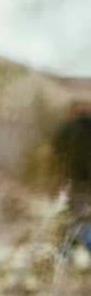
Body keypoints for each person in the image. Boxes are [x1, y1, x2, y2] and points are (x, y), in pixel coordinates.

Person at [55, 101, 91, 260]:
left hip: (76, 180)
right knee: (81, 216)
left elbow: (57, 151)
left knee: (77, 215)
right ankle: (67, 251)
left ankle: (66, 252)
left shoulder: (68, 128)